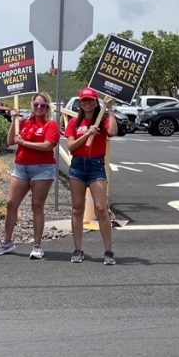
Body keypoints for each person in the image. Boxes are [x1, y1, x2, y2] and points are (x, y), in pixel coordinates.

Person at [0, 92, 60, 259]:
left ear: (47, 107)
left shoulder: (51, 124)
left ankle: (37, 245)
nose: (39, 108)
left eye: (42, 105)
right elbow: (10, 141)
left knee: (37, 206)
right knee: (10, 203)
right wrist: (13, 121)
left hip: (42, 169)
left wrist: (25, 143)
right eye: (36, 105)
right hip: (21, 167)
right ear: (32, 105)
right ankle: (6, 242)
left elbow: (47, 146)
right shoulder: (24, 122)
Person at [65, 88, 118, 265]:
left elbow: (112, 132)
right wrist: (88, 133)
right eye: (84, 100)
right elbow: (71, 147)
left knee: (101, 208)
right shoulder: (73, 122)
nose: (87, 103)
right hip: (78, 166)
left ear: (96, 102)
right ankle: (78, 249)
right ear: (80, 103)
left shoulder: (101, 120)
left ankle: (108, 251)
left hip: (96, 167)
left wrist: (110, 110)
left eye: (90, 100)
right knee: (77, 208)